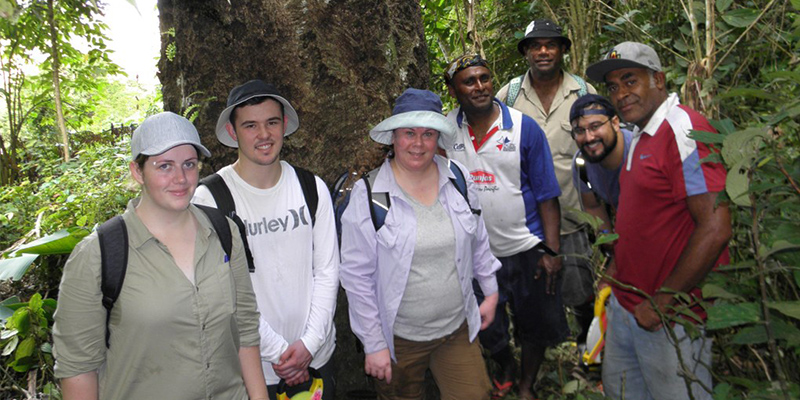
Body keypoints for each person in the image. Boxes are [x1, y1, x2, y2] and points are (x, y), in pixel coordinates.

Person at [52, 112, 268, 400]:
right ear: (138, 171)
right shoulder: (99, 254)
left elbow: (245, 331)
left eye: (189, 165)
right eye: (164, 166)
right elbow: (78, 369)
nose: (180, 178)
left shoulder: (223, 232)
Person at [586, 42, 732, 400]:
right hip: (628, 305)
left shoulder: (683, 130)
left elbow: (715, 227)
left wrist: (665, 300)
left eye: (630, 81)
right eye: (613, 87)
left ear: (659, 80)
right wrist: (617, 268)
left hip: (669, 316)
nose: (621, 94)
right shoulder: (639, 135)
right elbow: (641, 217)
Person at [339, 88, 501, 400]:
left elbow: (478, 238)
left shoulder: (458, 178)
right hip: (399, 339)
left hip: (456, 328)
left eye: (428, 134)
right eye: (408, 133)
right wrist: (374, 344)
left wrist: (491, 290)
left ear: (438, 138)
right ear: (393, 137)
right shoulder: (369, 195)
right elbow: (357, 278)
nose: (418, 143)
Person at [193, 80, 339, 400]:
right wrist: (280, 353)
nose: (264, 135)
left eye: (272, 122)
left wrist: (309, 345)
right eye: (250, 125)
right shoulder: (210, 197)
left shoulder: (311, 188)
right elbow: (220, 291)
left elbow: (327, 271)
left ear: (284, 126)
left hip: (316, 360)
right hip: (251, 367)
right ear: (233, 132)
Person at [444, 54, 565, 400]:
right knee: (487, 326)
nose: (480, 86)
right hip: (474, 254)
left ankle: (526, 384)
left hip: (526, 248)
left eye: (484, 78)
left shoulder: (524, 127)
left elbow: (546, 195)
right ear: (454, 90)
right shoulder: (445, 131)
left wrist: (552, 250)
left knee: (535, 324)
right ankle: (505, 365)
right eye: (469, 81)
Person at [496, 19, 598, 361]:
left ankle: (588, 352)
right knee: (524, 296)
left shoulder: (583, 93)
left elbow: (599, 153)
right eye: (535, 45)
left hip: (570, 213)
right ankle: (527, 363)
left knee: (580, 289)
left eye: (550, 44)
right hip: (519, 221)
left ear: (563, 50)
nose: (543, 51)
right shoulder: (508, 96)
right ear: (525, 52)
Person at [569, 94, 633, 247]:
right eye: (579, 131)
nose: (589, 137)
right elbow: (593, 206)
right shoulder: (581, 166)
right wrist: (610, 245)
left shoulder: (639, 150)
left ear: (615, 123)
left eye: (595, 126)